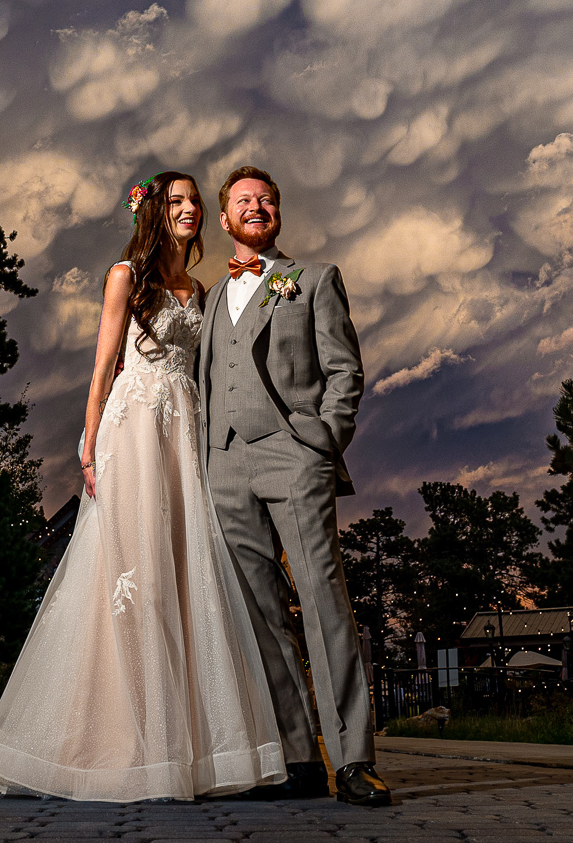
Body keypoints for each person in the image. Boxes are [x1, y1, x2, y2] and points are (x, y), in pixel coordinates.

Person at [0, 172, 287, 802]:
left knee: (183, 569)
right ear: (153, 213)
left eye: (195, 200)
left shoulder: (199, 288)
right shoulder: (125, 277)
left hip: (184, 435)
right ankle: (116, 740)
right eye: (177, 200)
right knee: (131, 572)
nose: (190, 208)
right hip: (135, 427)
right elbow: (104, 362)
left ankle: (189, 748)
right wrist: (89, 443)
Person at [198, 166, 391, 806]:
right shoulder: (205, 299)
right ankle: (299, 761)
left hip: (292, 459)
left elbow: (345, 370)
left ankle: (354, 761)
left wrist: (321, 442)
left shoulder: (311, 279)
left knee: (322, 600)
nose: (257, 206)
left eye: (267, 199)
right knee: (260, 616)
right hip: (223, 466)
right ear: (224, 220)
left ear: (278, 214)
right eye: (243, 201)